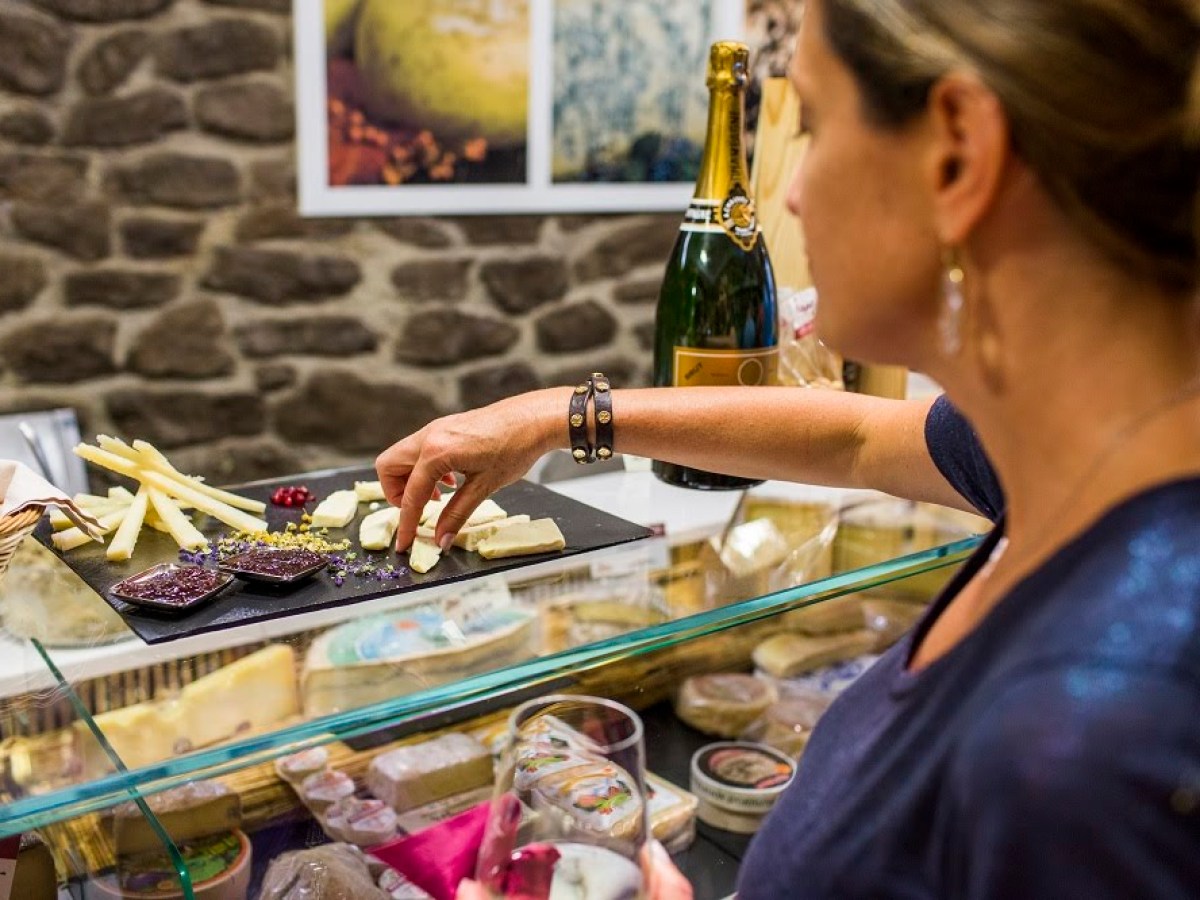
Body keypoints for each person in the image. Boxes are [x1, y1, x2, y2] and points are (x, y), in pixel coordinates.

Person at [379, 0, 1200, 895]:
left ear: (959, 152)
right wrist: (553, 416)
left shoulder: (1090, 736)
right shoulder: (1083, 444)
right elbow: (854, 435)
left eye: (811, 122)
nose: (793, 192)